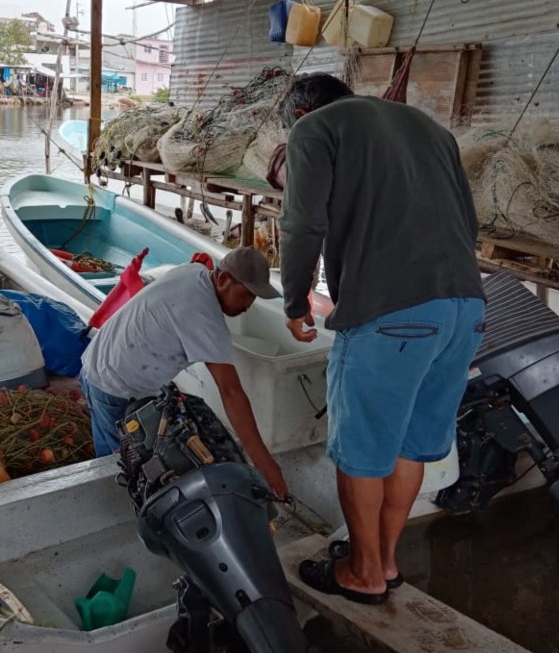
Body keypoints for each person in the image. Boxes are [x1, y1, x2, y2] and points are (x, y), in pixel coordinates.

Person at [278, 73, 485, 605]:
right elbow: (469, 225)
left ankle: (363, 573)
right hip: (465, 307)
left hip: (391, 315)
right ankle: (385, 561)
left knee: (361, 450)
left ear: (300, 113)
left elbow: (302, 224)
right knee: (409, 446)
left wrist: (295, 301)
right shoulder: (433, 130)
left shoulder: (314, 129)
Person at [78, 247, 289, 498]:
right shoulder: (204, 314)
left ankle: (116, 506)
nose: (247, 305)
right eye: (245, 295)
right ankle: (120, 513)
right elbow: (230, 392)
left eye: (253, 298)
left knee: (117, 463)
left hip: (98, 362)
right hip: (113, 386)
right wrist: (264, 462)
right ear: (223, 279)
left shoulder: (194, 272)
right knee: (128, 476)